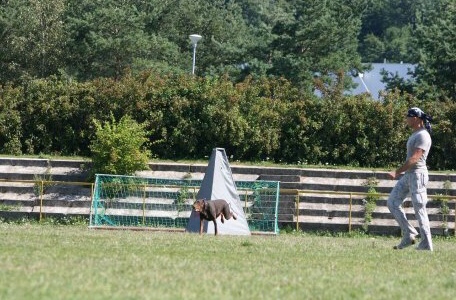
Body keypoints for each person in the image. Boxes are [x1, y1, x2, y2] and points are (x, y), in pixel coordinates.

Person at [387, 107, 433, 251]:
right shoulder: (415, 134)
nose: (406, 119)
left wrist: (397, 172)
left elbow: (414, 158)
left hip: (418, 175)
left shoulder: (423, 136)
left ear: (416, 118)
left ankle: (426, 243)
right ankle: (409, 233)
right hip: (409, 175)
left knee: (419, 208)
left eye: (408, 116)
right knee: (392, 202)